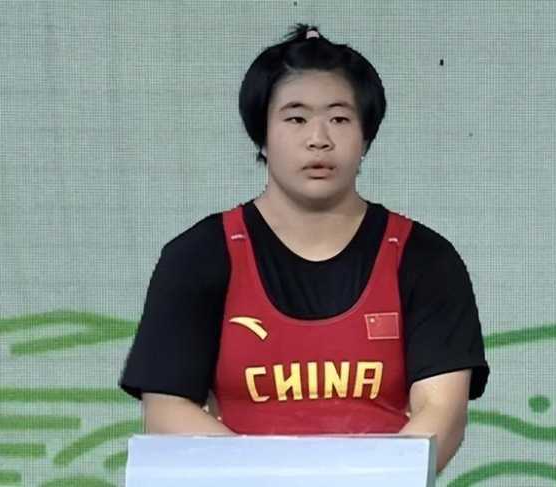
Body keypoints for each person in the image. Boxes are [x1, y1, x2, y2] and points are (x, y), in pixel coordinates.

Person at [119, 23, 489, 473]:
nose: (319, 139)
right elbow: (167, 408)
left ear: (366, 136)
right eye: (296, 118)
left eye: (339, 119)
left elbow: (442, 410)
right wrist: (273, 479)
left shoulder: (425, 259)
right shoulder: (197, 256)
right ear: (262, 134)